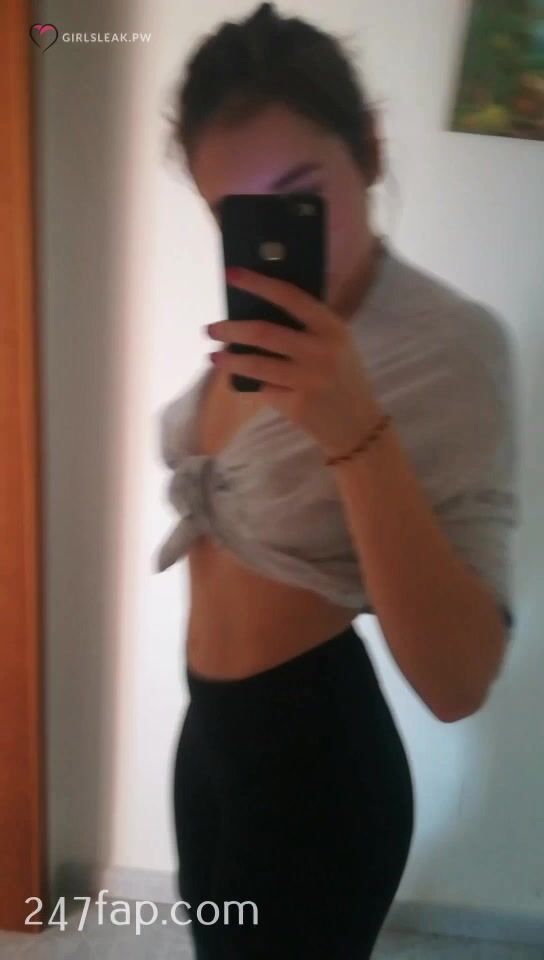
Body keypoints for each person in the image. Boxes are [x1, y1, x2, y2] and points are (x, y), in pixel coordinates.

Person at [157, 4, 519, 957]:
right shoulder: (262, 327)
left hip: (316, 780)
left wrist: (356, 429)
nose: (273, 236)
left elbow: (458, 679)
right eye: (235, 214)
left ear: (369, 148)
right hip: (210, 745)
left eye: (300, 195)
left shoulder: (450, 351)